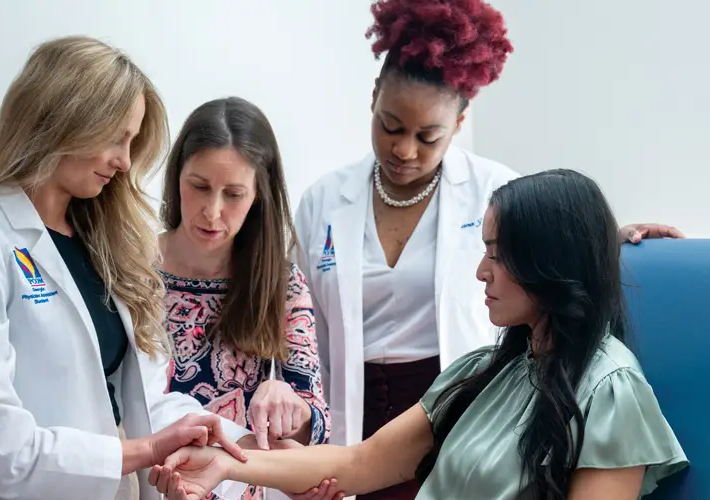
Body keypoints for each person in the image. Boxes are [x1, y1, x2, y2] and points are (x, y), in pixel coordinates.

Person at [290, 1, 684, 497]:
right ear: (373, 98)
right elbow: (297, 322)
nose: (404, 149)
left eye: (427, 136)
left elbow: (549, 244)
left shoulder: (494, 190)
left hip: (463, 403)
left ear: (458, 123)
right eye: (390, 126)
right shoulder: (321, 200)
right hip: (364, 403)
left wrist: (616, 239)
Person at [148, 168, 690, 500]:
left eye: (498, 257)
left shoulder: (609, 388)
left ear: (549, 264)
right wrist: (224, 462)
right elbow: (357, 463)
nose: (481, 272)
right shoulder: (482, 372)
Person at [0, 36, 251, 500]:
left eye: (131, 141)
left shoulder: (105, 241)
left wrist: (248, 452)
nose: (125, 161)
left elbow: (139, 399)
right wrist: (142, 450)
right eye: (116, 137)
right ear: (60, 120)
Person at [156, 96, 333, 500]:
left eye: (233, 194)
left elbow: (317, 428)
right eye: (199, 186)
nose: (212, 211)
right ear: (176, 176)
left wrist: (290, 404)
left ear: (258, 197)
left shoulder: (280, 284)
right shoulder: (133, 274)